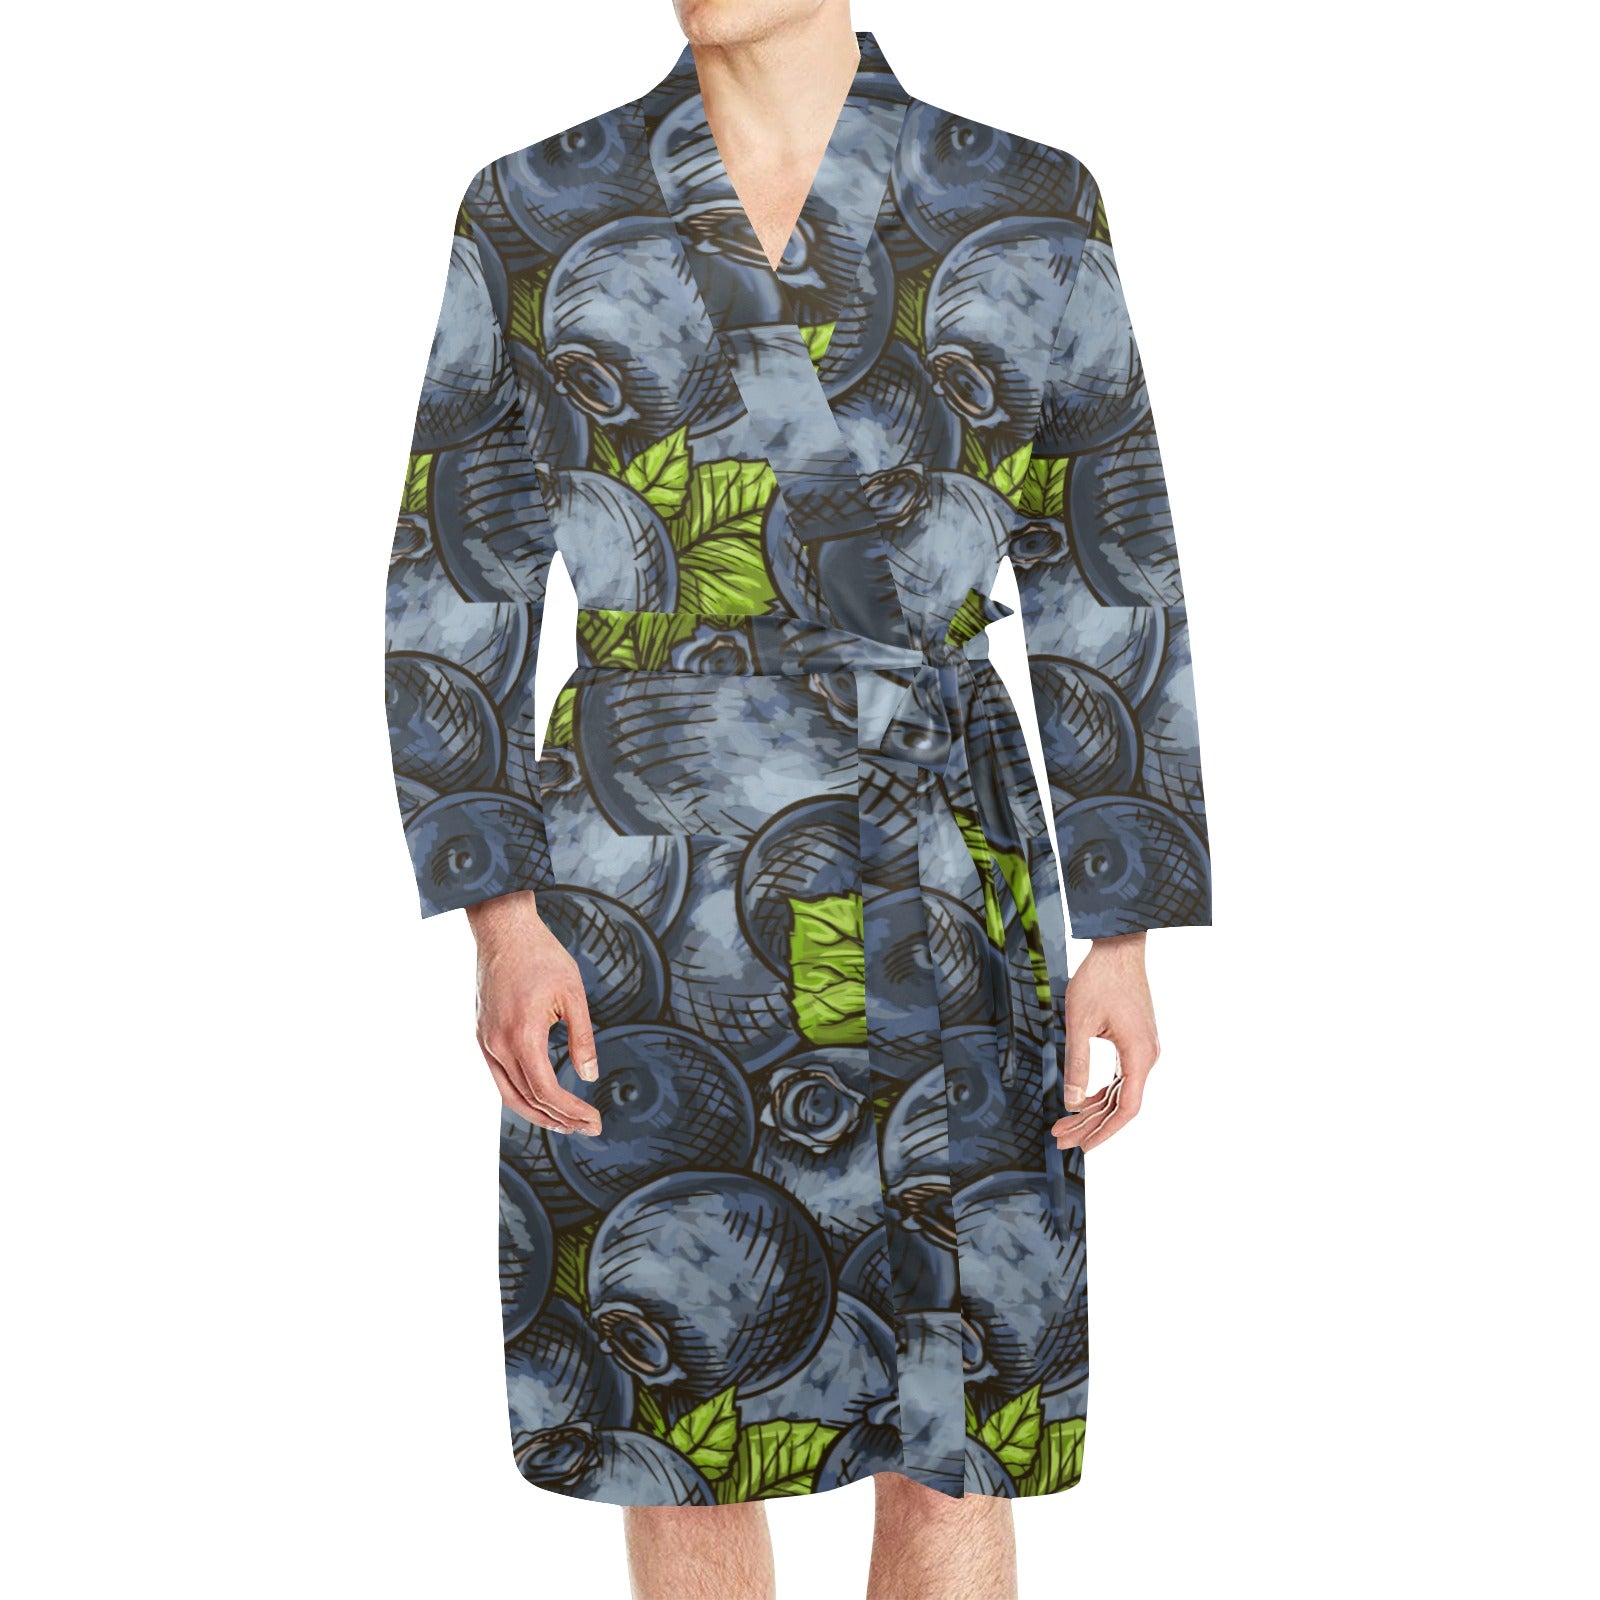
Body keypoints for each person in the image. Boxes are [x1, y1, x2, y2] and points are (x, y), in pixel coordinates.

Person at [383, 1, 1211, 1594]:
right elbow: (455, 575)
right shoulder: (538, 205)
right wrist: (498, 913)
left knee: (955, 1419)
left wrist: (1124, 932)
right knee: (678, 1416)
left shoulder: (1024, 203)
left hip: (942, 883)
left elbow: (1113, 575)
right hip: (646, 894)